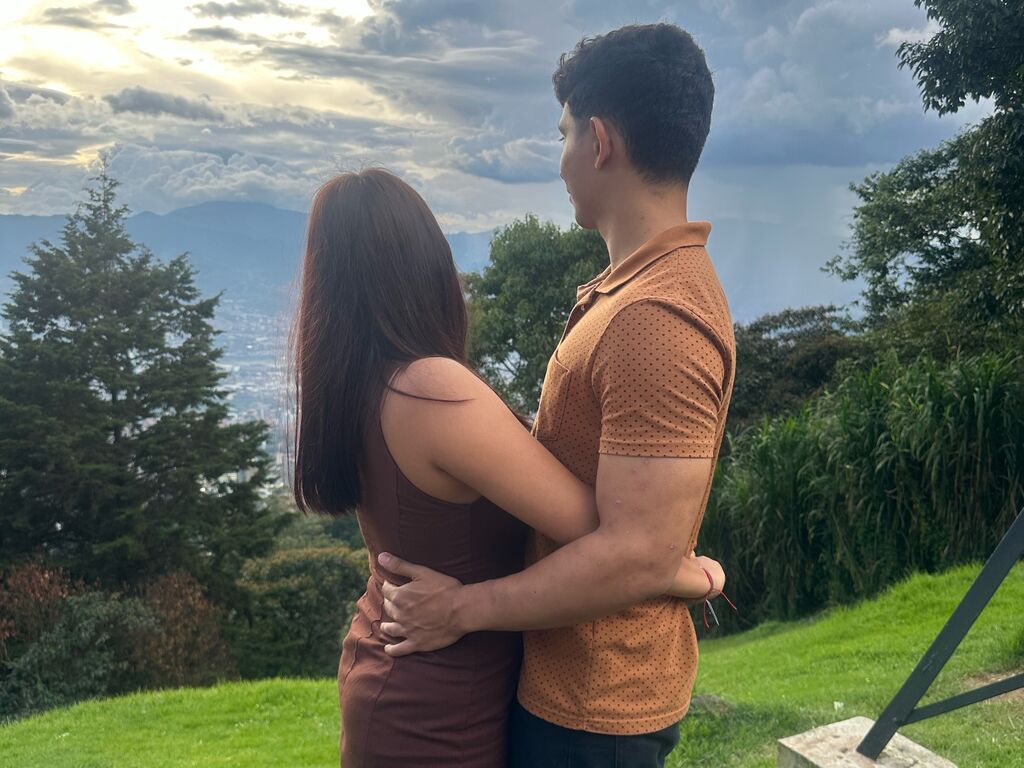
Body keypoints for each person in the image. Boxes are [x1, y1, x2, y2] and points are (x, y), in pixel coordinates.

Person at [375, 22, 733, 768]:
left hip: (594, 710)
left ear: (600, 141)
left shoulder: (654, 317)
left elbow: (635, 553)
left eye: (564, 134)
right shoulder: (630, 292)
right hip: (576, 691)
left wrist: (460, 610)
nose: (561, 158)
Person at [289, 168, 726, 767]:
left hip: (405, 680)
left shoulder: (369, 386)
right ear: (427, 266)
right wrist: (692, 574)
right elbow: (599, 530)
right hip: (439, 709)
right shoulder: (430, 390)